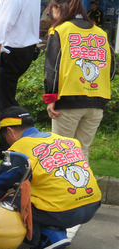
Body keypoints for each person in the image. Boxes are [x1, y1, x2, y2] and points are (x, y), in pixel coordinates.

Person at [0, 106, 101, 249]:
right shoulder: (66, 140)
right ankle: (56, 227)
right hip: (91, 205)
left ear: (11, 131)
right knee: (34, 191)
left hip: (62, 211)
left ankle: (47, 236)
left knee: (10, 201)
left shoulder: (20, 150)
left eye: (2, 134)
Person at [44, 0, 116, 158]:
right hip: (97, 100)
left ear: (58, 7)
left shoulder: (59, 30)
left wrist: (50, 97)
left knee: (62, 152)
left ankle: (63, 183)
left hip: (68, 99)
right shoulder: (100, 32)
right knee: (82, 151)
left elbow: (52, 68)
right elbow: (111, 70)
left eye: (52, 8)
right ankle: (83, 183)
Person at [0, 0, 41, 160]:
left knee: (2, 104)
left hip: (11, 51)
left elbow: (4, 23)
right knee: (1, 96)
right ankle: (15, 144)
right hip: (25, 50)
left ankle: (8, 149)